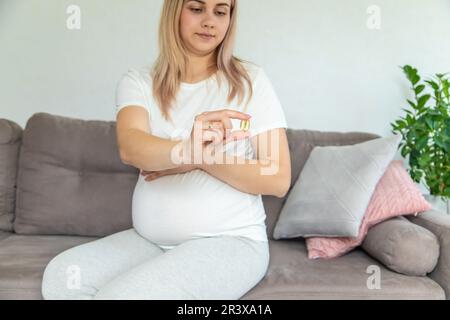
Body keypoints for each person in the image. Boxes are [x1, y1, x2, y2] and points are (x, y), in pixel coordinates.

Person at [41, 0, 291, 300]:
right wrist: (191, 149)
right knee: (63, 277)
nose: (210, 21)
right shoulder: (139, 82)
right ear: (175, 12)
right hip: (149, 240)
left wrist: (196, 157)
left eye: (221, 11)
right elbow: (132, 147)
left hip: (231, 241)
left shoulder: (250, 81)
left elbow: (276, 177)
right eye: (197, 9)